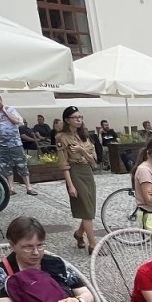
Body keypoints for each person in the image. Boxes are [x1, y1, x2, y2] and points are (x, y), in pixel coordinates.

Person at [56, 105, 99, 251]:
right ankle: (93, 244)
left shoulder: (85, 136)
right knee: (86, 211)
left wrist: (81, 150)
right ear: (67, 120)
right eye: (75, 118)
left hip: (87, 172)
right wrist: (70, 185)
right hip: (75, 172)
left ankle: (79, 234)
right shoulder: (61, 137)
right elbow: (64, 164)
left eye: (80, 117)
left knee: (89, 209)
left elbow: (93, 161)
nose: (79, 120)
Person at [0, 93, 31, 196]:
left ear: (1, 99)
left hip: (15, 143)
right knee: (5, 166)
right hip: (1, 145)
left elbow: (17, 121)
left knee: (21, 164)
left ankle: (29, 187)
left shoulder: (11, 109)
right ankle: (11, 187)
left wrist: (5, 111)